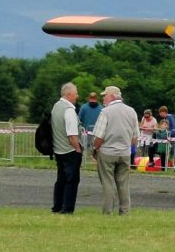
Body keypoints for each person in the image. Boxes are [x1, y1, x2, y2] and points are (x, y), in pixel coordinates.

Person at [92, 86, 139, 215]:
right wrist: (127, 147)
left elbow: (99, 136)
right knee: (123, 183)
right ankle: (125, 210)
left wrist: (95, 148)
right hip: (124, 153)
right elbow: (135, 137)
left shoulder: (106, 112)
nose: (103, 99)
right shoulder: (132, 111)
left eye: (105, 96)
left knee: (107, 182)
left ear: (112, 96)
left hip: (107, 152)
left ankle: (107, 210)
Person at [51, 82, 83, 214]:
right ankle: (67, 207)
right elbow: (72, 134)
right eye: (75, 94)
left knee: (61, 179)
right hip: (69, 150)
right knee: (72, 180)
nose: (77, 96)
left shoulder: (56, 106)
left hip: (58, 149)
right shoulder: (69, 110)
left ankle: (57, 205)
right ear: (69, 95)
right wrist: (78, 149)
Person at [78, 92, 103, 156]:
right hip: (91, 134)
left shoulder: (101, 109)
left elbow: (78, 120)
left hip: (92, 134)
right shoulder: (101, 108)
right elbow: (78, 120)